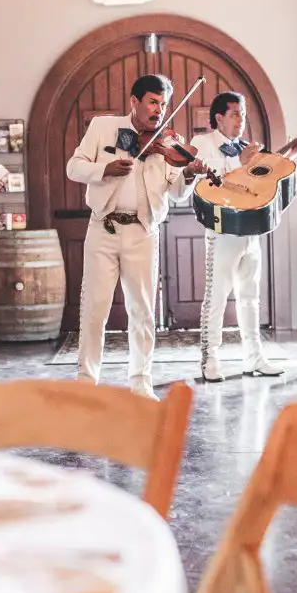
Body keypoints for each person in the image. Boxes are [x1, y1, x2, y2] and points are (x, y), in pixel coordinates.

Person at [66, 74, 206, 399]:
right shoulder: (103, 128)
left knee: (143, 311)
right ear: (134, 101)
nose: (159, 110)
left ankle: (141, 383)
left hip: (143, 232)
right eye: (153, 102)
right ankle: (87, 384)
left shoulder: (170, 142)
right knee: (94, 309)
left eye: (163, 104)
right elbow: (74, 167)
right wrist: (104, 170)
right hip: (103, 227)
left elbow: (177, 192)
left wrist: (188, 174)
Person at [189, 91, 297, 382]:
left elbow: (258, 186)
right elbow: (208, 186)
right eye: (235, 114)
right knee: (216, 296)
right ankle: (210, 359)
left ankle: (254, 357)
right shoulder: (202, 144)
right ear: (219, 117)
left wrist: (284, 159)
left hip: (250, 232)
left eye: (243, 114)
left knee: (250, 297)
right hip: (222, 231)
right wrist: (240, 164)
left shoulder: (247, 148)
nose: (242, 120)